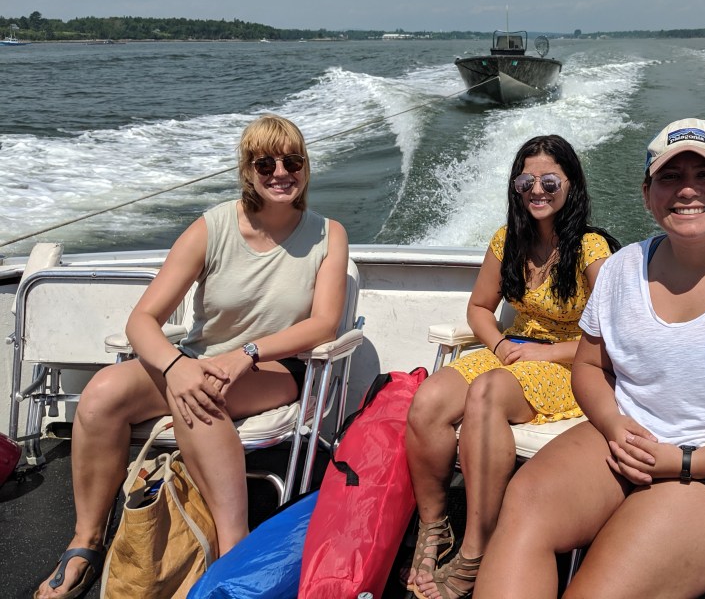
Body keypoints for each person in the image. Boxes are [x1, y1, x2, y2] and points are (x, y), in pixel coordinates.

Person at [474, 118, 705, 599]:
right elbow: (589, 366)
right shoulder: (622, 268)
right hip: (628, 439)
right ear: (648, 194)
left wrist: (686, 462)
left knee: (602, 585)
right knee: (525, 505)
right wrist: (612, 423)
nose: (688, 191)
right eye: (670, 177)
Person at [35, 115, 350, 599]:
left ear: (306, 168)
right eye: (264, 162)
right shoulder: (213, 227)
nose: (280, 171)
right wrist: (177, 365)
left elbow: (322, 324)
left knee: (200, 397)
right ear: (247, 171)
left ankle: (232, 553)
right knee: (100, 395)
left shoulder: (328, 234)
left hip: (276, 366)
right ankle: (86, 540)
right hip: (197, 362)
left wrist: (247, 352)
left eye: (292, 161)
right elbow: (142, 320)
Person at [405, 135, 619, 599]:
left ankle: (475, 551)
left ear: (571, 185)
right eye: (526, 180)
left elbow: (612, 335)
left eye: (549, 180)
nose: (536, 190)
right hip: (514, 351)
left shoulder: (591, 249)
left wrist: (547, 354)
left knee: (486, 393)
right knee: (427, 401)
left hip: (569, 362)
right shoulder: (508, 241)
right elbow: (480, 308)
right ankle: (434, 527)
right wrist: (500, 344)